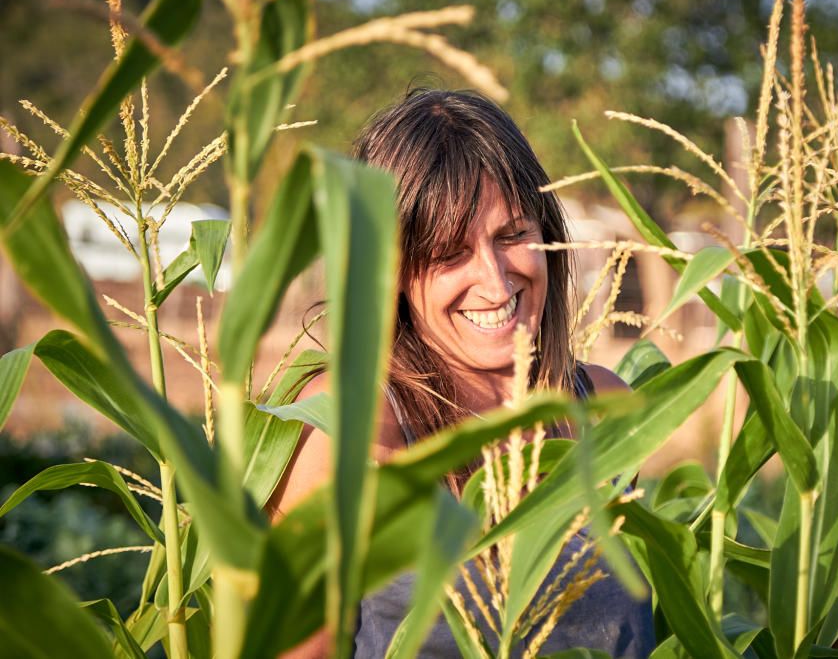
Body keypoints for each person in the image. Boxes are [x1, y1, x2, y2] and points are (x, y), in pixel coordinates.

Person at [268, 89, 655, 658]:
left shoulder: (605, 406)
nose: (497, 284)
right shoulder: (345, 428)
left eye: (513, 235)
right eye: (450, 254)